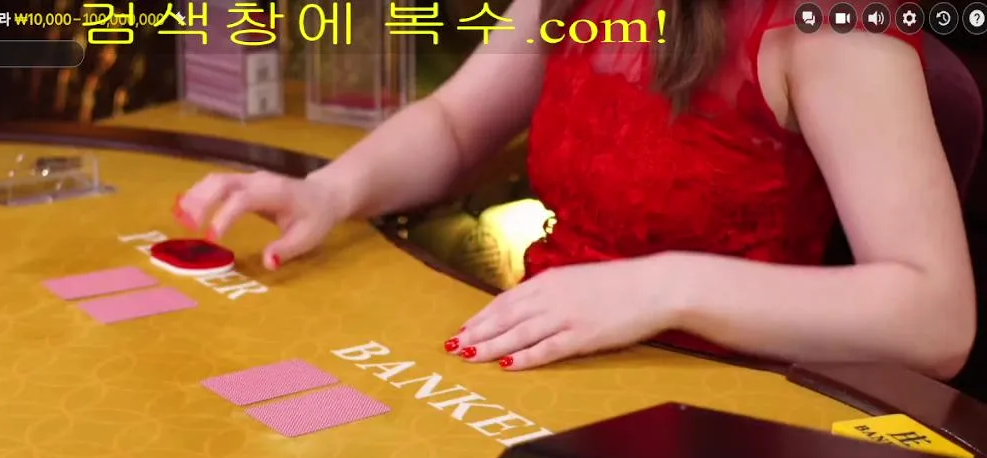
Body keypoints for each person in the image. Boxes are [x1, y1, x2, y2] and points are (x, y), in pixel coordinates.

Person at [175, 0, 976, 379]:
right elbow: (456, 124)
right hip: (541, 361)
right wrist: (331, 190)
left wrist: (666, 288)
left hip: (728, 403)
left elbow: (936, 318)